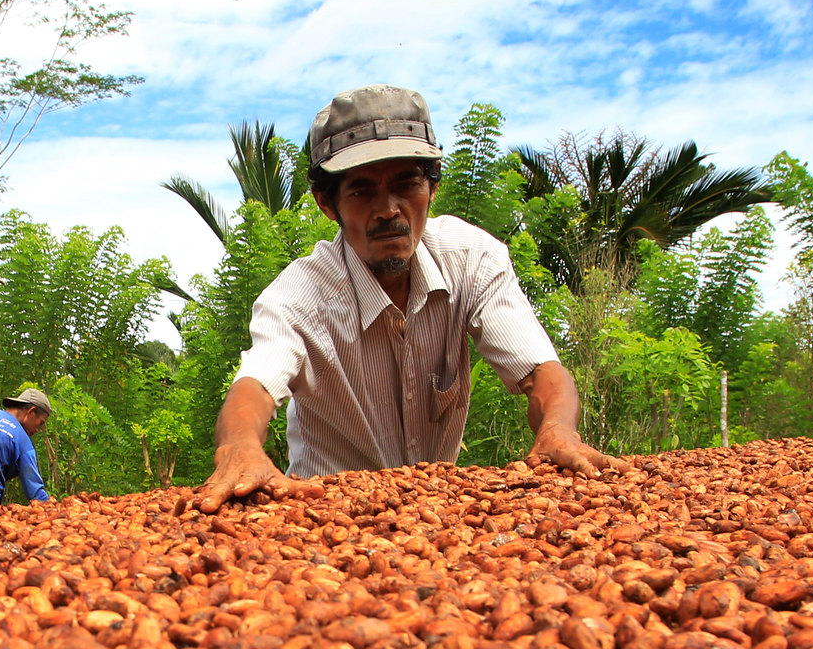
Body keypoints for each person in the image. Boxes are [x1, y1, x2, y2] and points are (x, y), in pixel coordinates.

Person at [197, 85, 612, 513]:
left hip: (438, 513)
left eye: (407, 183)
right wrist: (240, 447)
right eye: (361, 191)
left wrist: (558, 429)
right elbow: (254, 388)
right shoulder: (298, 297)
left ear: (432, 188)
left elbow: (541, 372)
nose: (388, 210)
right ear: (327, 203)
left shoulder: (471, 260)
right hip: (327, 514)